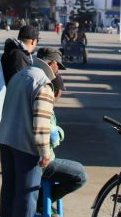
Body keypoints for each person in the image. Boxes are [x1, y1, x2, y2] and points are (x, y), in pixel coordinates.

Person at [0, 57, 55, 217]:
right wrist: (45, 152)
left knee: (9, 189)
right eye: (58, 66)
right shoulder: (43, 85)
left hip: (6, 138)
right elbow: (42, 123)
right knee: (28, 192)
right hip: (26, 144)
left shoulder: (19, 76)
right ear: (51, 65)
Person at [34, 47, 87, 206]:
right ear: (56, 92)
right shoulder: (45, 96)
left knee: (76, 168)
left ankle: (41, 200)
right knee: (80, 175)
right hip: (43, 161)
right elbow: (49, 134)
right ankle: (42, 202)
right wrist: (58, 134)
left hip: (27, 156)